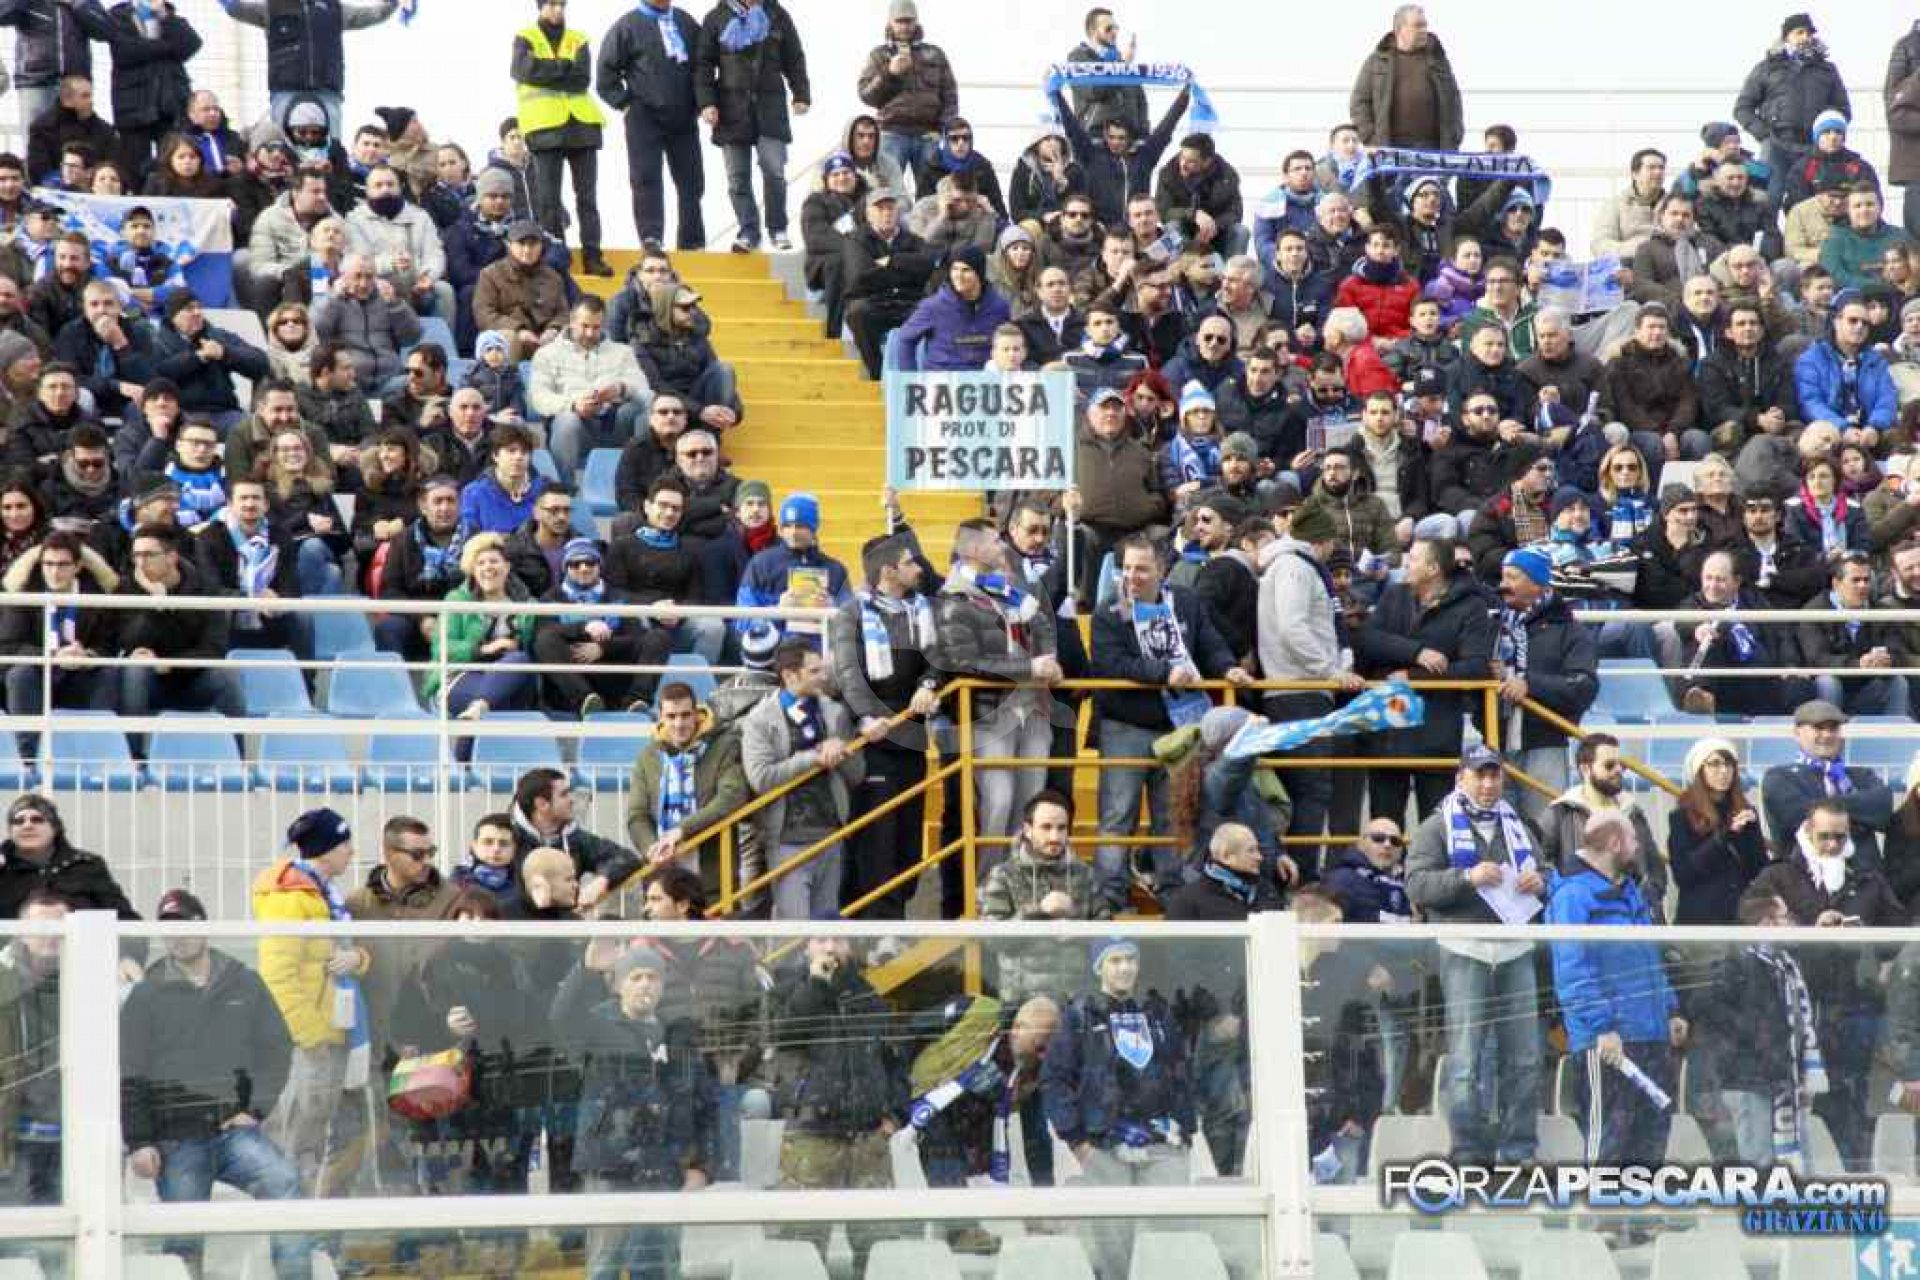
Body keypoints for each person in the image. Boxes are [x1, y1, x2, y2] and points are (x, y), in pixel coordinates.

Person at [122, 887, 309, 1277]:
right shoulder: (147, 994)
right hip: (175, 1139)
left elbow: (277, 1047)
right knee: (184, 1238)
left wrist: (255, 1108)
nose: (178, 937)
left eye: (185, 925)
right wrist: (139, 1142)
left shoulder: (245, 982)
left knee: (285, 1183)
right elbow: (129, 1071)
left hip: (234, 1132)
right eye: (168, 929)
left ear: (204, 926)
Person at [1405, 747, 1547, 1165]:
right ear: (1461, 778)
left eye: (1494, 775)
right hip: (1463, 948)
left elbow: (1547, 872)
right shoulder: (1436, 825)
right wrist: (1466, 877)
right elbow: (1416, 885)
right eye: (1479, 775)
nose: (1487, 784)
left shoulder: (1517, 824)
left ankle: (1519, 1149)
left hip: (1516, 948)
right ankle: (1468, 1150)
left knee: (1525, 1057)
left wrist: (1540, 880)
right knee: (1466, 1059)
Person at [1746, 796, 1905, 1167]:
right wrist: (1806, 929)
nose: (1833, 844)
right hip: (1791, 1014)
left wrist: (1866, 936)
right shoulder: (1778, 876)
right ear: (1807, 832)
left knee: (1856, 1115)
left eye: (1840, 836)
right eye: (1825, 837)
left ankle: (1858, 1185)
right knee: (1791, 1115)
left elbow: (1897, 934)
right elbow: (1748, 919)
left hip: (1851, 1011)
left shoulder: (1867, 880)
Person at [1091, 535, 1247, 908]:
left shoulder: (1187, 602)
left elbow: (1209, 642)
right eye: (1126, 568)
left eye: (1142, 569)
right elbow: (1111, 664)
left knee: (1173, 815)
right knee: (1117, 816)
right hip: (1125, 726)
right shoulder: (1108, 610)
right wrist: (1163, 673)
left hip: (1179, 725)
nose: (1132, 577)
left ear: (1162, 570)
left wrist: (1228, 668)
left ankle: (1174, 896)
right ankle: (1109, 897)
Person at [553, 942, 714, 1279]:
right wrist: (585, 971)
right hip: (608, 1166)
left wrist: (700, 1165)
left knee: (658, 1266)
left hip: (663, 1167)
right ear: (619, 985)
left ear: (663, 986)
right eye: (636, 977)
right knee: (605, 1265)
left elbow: (703, 1105)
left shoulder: (678, 1037)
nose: (645, 984)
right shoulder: (597, 1026)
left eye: (652, 977)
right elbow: (561, 1018)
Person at [1044, 937, 1193, 1277]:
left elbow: (1182, 1070)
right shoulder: (1079, 1016)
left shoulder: (1157, 1013)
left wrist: (1185, 1128)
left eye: (1130, 959)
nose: (1125, 968)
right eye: (1115, 961)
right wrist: (1078, 1141)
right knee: (1113, 1243)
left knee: (1170, 1239)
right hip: (1104, 1145)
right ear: (1099, 967)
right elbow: (1054, 1080)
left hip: (1162, 1142)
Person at [1547, 810, 1686, 1167]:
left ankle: (1641, 1205)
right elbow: (1573, 972)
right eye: (1633, 839)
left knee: (1651, 1139)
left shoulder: (1631, 892)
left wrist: (1670, 1009)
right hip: (1609, 1043)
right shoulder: (1573, 896)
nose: (1638, 846)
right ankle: (1600, 1205)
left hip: (1650, 1035)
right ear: (1613, 843)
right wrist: (1602, 1028)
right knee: (1609, 1142)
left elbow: (1650, 958)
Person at [252, 807, 369, 1198]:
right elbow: (278, 977)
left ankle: (305, 1219)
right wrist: (309, 1036)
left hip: (331, 1032)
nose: (351, 852)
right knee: (294, 1139)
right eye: (345, 844)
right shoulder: (290, 899)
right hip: (309, 1041)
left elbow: (340, 956)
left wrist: (358, 959)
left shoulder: (323, 895)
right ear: (326, 848)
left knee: (312, 1140)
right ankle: (288, 1223)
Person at [931, 519, 1062, 863]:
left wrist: (1049, 659)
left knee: (1031, 802)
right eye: (994, 541)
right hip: (989, 714)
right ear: (974, 549)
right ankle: (990, 884)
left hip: (1033, 708)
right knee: (999, 802)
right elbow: (963, 661)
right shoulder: (954, 597)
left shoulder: (1007, 586)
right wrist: (1030, 668)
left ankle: (1023, 877)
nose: (1002, 546)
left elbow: (1043, 623)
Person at [826, 533, 942, 917]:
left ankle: (898, 915)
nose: (917, 568)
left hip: (911, 735)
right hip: (871, 741)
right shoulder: (851, 614)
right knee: (878, 838)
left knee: (909, 837)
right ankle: (873, 923)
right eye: (909, 562)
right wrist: (865, 717)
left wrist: (928, 684)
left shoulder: (922, 610)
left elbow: (938, 659)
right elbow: (848, 673)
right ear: (888, 570)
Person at [1356, 535, 1495, 823]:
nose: (1405, 563)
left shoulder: (1472, 606)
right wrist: (1416, 652)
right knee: (1383, 825)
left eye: (1413, 558)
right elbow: (1368, 639)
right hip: (1389, 731)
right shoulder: (1395, 594)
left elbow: (1476, 667)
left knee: (1436, 826)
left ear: (1433, 569)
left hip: (1436, 735)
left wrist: (1413, 676)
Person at [1254, 501, 1358, 876]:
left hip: (1296, 690)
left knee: (1301, 789)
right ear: (1322, 540)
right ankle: (1301, 876)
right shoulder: (1296, 568)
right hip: (1299, 691)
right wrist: (1330, 670)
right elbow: (1293, 628)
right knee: (1310, 789)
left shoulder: (1288, 566)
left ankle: (1293, 873)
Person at [1698, 892, 1828, 1171]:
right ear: (1767, 923)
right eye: (1786, 917)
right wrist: (1752, 1035)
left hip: (1783, 1078)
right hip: (1750, 1078)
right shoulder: (1737, 962)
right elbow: (1706, 1006)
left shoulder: (1787, 965)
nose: (1792, 923)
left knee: (1795, 1164)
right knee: (1760, 1164)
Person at [739, 639, 864, 920]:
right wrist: (814, 757)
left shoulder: (834, 711)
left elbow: (856, 774)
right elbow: (761, 778)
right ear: (789, 675)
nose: (824, 677)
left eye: (822, 669)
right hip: (787, 840)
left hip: (831, 834)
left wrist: (845, 749)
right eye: (814, 671)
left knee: (826, 929)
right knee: (794, 933)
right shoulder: (760, 719)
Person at [694, 0, 810, 255]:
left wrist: (801, 93)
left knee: (774, 170)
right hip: (731, 109)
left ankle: (778, 228)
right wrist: (706, 102)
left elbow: (794, 57)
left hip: (771, 108)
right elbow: (703, 65)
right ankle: (748, 231)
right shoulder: (716, 18)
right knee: (737, 178)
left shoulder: (777, 14)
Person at [1493, 546, 1598, 822]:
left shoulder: (1571, 631)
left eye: (1513, 576)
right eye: (1503, 576)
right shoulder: (1491, 626)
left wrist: (1529, 684)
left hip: (1546, 743)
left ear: (1538, 583)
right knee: (1498, 831)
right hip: (1495, 741)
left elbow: (1584, 687)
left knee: (1547, 828)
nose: (1503, 584)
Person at [979, 790, 1110, 1004]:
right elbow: (992, 940)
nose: (1054, 837)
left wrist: (1077, 924)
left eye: (1062, 828)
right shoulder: (1003, 874)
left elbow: (1108, 933)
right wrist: (1038, 910)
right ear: (1027, 830)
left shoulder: (1085, 874)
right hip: (1021, 1004)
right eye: (1046, 827)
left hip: (1077, 1003)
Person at [115, 523, 245, 737]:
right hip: (148, 682)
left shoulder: (204, 589)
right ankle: (133, 752)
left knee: (227, 675)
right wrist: (155, 604)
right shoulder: (127, 588)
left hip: (193, 680)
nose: (141, 563)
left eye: (149, 555)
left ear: (171, 557)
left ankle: (237, 753)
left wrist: (169, 664)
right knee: (135, 668)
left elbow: (214, 649)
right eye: (136, 555)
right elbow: (127, 641)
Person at [626, 680, 750, 902]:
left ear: (696, 714)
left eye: (685, 715)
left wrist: (682, 831)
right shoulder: (648, 757)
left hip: (714, 877)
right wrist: (653, 849)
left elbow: (732, 797)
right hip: (663, 882)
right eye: (671, 716)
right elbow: (637, 815)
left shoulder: (724, 746)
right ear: (660, 718)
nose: (679, 724)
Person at [512, 0, 610, 276]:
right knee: (548, 201)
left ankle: (593, 256)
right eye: (552, 4)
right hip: (544, 128)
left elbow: (581, 79)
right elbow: (523, 71)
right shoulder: (525, 37)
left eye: (561, 4)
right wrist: (563, 66)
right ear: (540, 6)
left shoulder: (578, 38)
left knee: (587, 197)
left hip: (582, 126)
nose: (558, 9)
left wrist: (546, 69)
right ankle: (557, 259)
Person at [598, 0, 704, 251]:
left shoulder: (686, 22)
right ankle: (651, 237)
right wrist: (625, 103)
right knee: (646, 177)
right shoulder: (627, 26)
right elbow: (605, 74)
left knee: (691, 180)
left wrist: (702, 101)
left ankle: (692, 241)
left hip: (684, 115)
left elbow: (705, 63)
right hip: (644, 116)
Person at [224, 0, 400, 140]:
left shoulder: (334, 8)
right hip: (286, 91)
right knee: (286, 146)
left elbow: (371, 14)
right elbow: (236, 8)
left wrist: (392, 4)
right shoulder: (273, 6)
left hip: (327, 91)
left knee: (331, 146)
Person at [533, 535, 670, 716]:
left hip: (614, 678)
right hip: (572, 683)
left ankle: (636, 702)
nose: (583, 568)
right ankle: (585, 700)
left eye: (590, 562)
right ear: (565, 568)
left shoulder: (618, 596)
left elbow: (636, 638)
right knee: (545, 640)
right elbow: (543, 635)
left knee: (658, 637)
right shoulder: (550, 598)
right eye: (575, 564)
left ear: (599, 565)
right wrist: (583, 627)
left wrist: (603, 648)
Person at [1735, 13, 1852, 217]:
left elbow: (1842, 109)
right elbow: (1742, 107)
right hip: (1776, 145)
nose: (1806, 37)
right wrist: (1764, 135)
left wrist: (1827, 133)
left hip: (1813, 149)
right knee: (1768, 202)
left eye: (1809, 33)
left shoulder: (1827, 70)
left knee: (1811, 206)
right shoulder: (1766, 68)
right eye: (1800, 32)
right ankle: (1769, 238)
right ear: (1786, 37)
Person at [1762, 698, 1900, 866]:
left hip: (1864, 877)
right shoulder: (1779, 777)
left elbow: (1881, 810)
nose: (1827, 735)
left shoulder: (1862, 775)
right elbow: (1795, 816)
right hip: (1802, 877)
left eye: (1833, 728)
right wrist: (1860, 815)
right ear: (1797, 733)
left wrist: (1818, 806)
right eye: (1818, 727)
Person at [529, 295, 651, 484]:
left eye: (596, 327)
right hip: (575, 427)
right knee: (567, 420)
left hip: (615, 422)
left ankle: (645, 482)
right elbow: (538, 397)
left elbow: (645, 392)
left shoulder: (623, 352)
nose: (589, 333)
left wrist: (622, 388)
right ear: (572, 321)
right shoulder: (547, 354)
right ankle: (564, 487)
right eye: (584, 326)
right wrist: (573, 405)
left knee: (648, 410)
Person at [856, 0, 958, 199]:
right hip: (891, 133)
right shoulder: (879, 55)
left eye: (909, 21)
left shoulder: (935, 54)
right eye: (900, 21)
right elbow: (866, 95)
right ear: (890, 22)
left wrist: (943, 128)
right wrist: (889, 73)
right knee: (886, 195)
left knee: (933, 196)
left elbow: (950, 95)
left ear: (916, 22)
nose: (905, 26)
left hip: (928, 134)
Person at [508, 767, 640, 913]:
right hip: (512, 923)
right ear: (542, 804)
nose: (571, 800)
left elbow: (627, 858)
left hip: (565, 924)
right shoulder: (506, 838)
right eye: (564, 794)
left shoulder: (575, 838)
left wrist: (602, 881)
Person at [1798, 551, 1912, 717]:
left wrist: (1887, 660)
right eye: (1856, 580)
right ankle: (1828, 727)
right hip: (1833, 688)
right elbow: (1817, 659)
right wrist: (1858, 664)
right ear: (1836, 583)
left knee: (1897, 682)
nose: (1863, 586)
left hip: (1868, 689)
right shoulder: (1813, 611)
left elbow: (1898, 651)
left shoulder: (1881, 611)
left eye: (1866, 580)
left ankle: (1893, 733)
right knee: (1827, 682)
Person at [842, 185, 937, 378]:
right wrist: (907, 271)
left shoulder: (914, 240)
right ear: (869, 214)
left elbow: (927, 265)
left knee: (933, 312)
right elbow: (860, 276)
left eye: (890, 208)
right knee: (857, 313)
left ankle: (917, 376)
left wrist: (892, 261)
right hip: (874, 301)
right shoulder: (855, 240)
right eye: (880, 208)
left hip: (909, 301)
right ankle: (877, 373)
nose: (886, 213)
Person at [1348, 5, 1464, 150]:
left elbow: (1454, 99)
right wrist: (1371, 139)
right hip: (1390, 150)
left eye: (1425, 25)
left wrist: (1455, 135)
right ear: (1400, 29)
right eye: (1418, 26)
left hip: (1434, 149)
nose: (1424, 31)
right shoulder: (1378, 61)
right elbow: (1359, 102)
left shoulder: (1438, 60)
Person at [893, 243, 1010, 371]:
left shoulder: (999, 307)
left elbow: (1010, 343)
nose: (958, 275)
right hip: (942, 377)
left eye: (966, 270)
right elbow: (905, 339)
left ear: (979, 273)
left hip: (983, 378)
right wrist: (910, 378)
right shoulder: (934, 306)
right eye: (954, 269)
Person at [472, 221, 570, 363]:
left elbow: (563, 313)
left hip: (545, 339)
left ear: (541, 246)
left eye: (533, 244)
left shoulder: (553, 277)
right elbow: (484, 314)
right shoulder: (490, 274)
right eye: (521, 244)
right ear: (509, 244)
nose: (527, 250)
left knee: (569, 334)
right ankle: (507, 376)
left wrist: (553, 329)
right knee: (508, 338)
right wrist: (518, 330)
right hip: (510, 337)